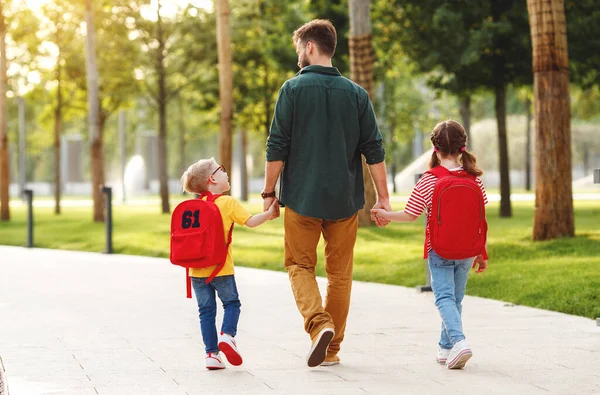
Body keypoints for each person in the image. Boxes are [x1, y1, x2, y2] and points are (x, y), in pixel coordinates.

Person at [263, 19, 391, 368]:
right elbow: (374, 149)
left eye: (298, 50)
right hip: (343, 201)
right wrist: (383, 198)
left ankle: (320, 324)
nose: (297, 57)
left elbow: (277, 146)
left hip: (302, 199)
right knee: (340, 275)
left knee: (299, 265)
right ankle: (331, 350)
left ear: (309, 47)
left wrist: (268, 191)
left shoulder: (291, 89)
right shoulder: (356, 94)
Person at [372, 120, 489, 369]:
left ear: (434, 148)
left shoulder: (429, 180)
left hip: (440, 249)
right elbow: (480, 219)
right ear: (463, 146)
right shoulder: (474, 179)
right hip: (468, 250)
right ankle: (445, 348)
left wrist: (383, 215)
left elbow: (410, 214)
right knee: (455, 299)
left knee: (444, 298)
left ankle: (459, 342)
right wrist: (481, 252)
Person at [181, 158, 277, 370]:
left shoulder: (193, 206)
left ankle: (211, 355)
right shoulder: (228, 203)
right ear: (212, 178)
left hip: (196, 272)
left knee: (206, 312)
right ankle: (227, 335)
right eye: (221, 169)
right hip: (221, 268)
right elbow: (251, 222)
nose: (225, 172)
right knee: (232, 304)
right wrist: (269, 213)